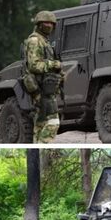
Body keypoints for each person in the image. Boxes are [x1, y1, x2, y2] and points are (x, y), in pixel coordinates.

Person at [21, 10, 64, 143]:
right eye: (46, 23)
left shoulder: (44, 41)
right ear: (39, 24)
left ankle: (38, 146)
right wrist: (54, 64)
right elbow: (34, 66)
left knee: (40, 125)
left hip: (46, 90)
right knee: (53, 123)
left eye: (51, 23)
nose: (49, 25)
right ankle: (43, 145)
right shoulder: (35, 41)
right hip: (40, 89)